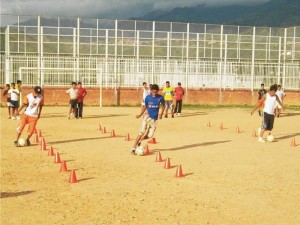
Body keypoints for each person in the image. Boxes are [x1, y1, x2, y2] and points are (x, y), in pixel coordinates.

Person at [131, 84, 165, 155]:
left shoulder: (160, 98)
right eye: (153, 92)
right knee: (142, 132)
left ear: (158, 91)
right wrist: (140, 114)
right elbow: (145, 107)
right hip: (146, 117)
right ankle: (133, 148)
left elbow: (163, 105)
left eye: (156, 92)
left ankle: (140, 140)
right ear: (151, 91)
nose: (155, 94)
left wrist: (161, 114)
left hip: (154, 119)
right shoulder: (147, 98)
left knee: (150, 135)